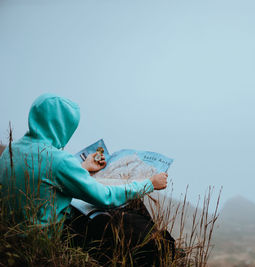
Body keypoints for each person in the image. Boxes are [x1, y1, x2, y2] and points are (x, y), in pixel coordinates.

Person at [0, 93, 173, 265]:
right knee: (118, 215)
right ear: (61, 126)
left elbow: (43, 178)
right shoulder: (58, 160)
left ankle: (159, 246)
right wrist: (149, 184)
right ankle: (159, 250)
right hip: (46, 239)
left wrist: (83, 169)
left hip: (14, 232)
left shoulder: (11, 150)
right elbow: (105, 197)